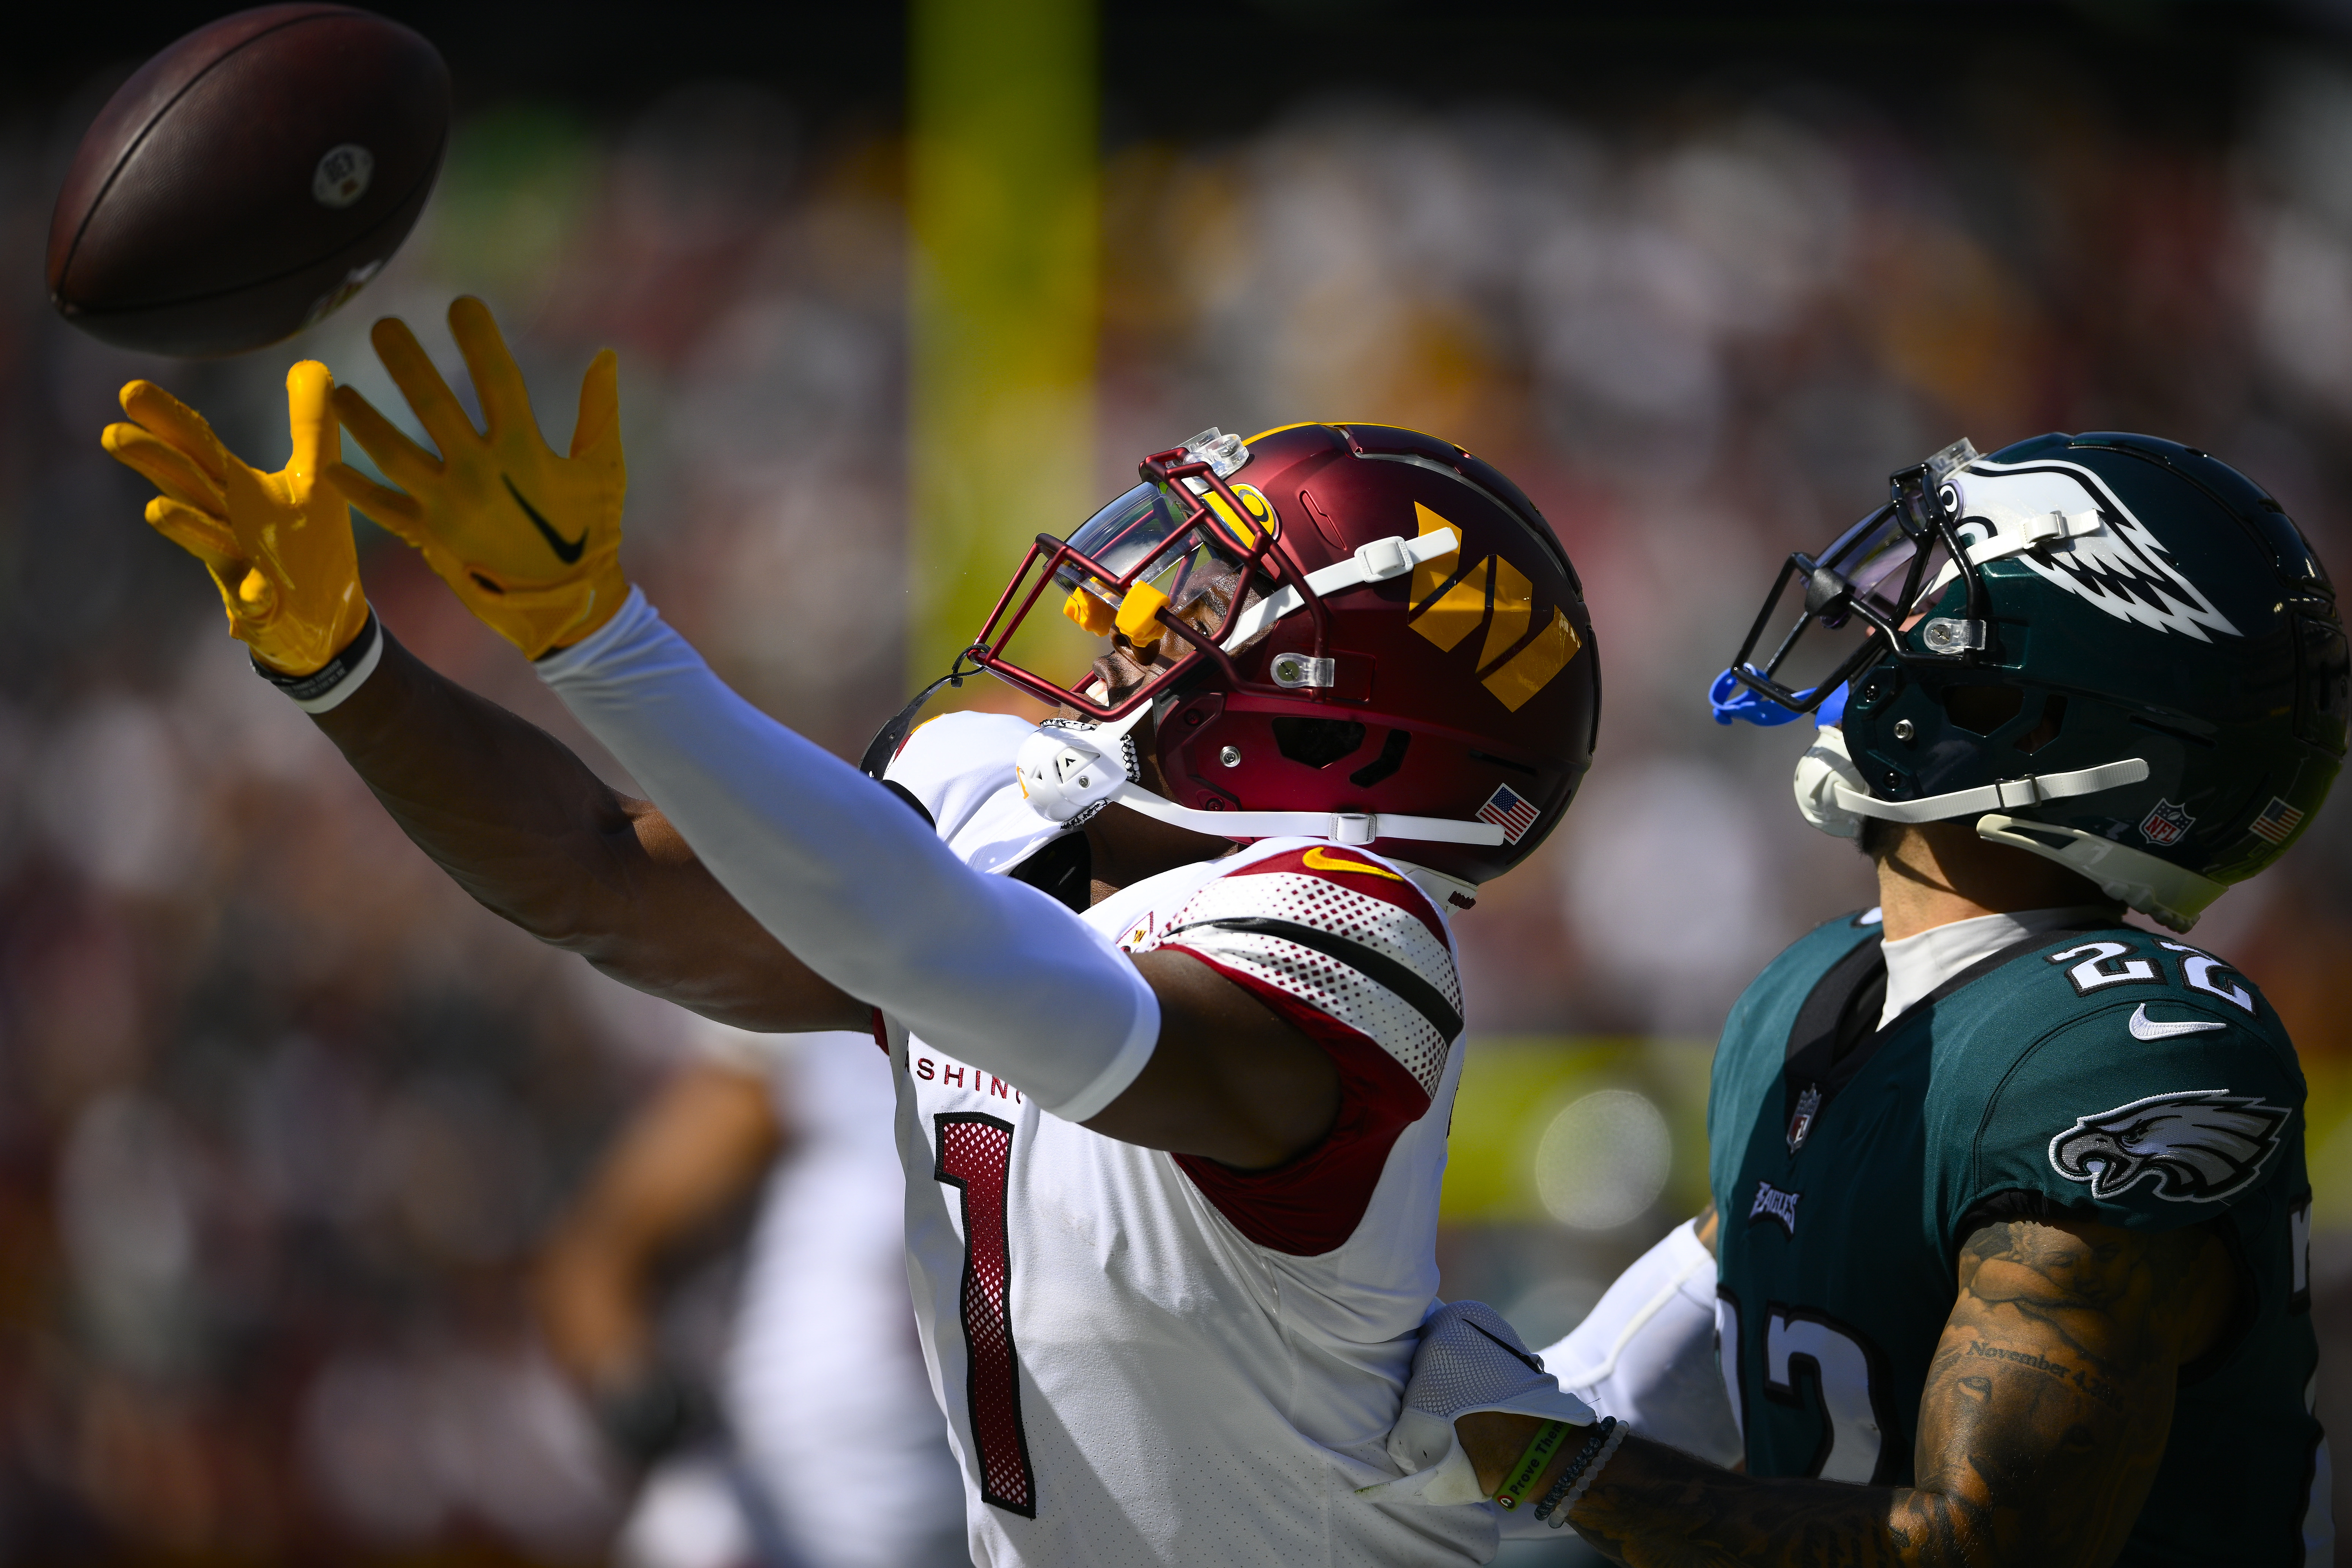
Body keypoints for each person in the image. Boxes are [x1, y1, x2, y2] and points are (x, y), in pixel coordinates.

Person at [97, 300, 1603, 1567]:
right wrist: (344, 668)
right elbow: (598, 874)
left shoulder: (1358, 941)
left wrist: (603, 638)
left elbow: (972, 965)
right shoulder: (999, 807)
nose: (1135, 607)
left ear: (1344, 716)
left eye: (1214, 589)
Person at [1373, 433, 2346, 1566]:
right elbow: (1644, 1378)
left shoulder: (2110, 1050)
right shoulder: (1825, 988)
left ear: (2028, 719)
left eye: (1934, 601)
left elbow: (1982, 1548)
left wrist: (1552, 1466)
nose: (1873, 618)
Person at [535, 1023, 964, 1568]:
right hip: (767, 1513)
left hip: (982, 1521)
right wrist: (638, 1401)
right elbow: (599, 1254)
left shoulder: (1074, 1039)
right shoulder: (825, 1034)